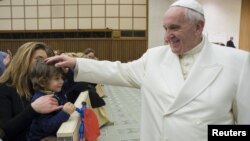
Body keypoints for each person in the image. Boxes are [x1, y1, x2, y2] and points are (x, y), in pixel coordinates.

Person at [46, 0, 250, 141]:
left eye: (174, 28)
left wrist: (210, 134)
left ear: (198, 27)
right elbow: (118, 71)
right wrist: (77, 63)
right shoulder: (154, 57)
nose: (167, 35)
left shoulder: (237, 62)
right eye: (165, 28)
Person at [0, 42, 63, 141]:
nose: (43, 64)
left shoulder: (38, 85)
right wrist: (33, 109)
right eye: (39, 59)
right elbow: (6, 131)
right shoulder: (4, 87)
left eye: (45, 60)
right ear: (23, 60)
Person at [27, 57, 75, 141]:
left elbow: (72, 83)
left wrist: (67, 72)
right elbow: (47, 126)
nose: (62, 81)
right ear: (42, 82)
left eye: (61, 77)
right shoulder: (41, 100)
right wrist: (65, 112)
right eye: (57, 78)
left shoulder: (55, 90)